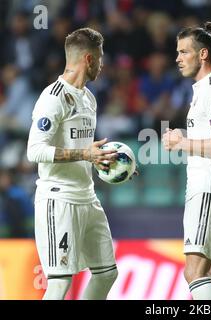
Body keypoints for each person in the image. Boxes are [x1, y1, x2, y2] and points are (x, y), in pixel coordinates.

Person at [27, 28, 119, 300]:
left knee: (107, 273)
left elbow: (86, 150)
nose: (102, 66)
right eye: (100, 59)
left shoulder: (89, 98)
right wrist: (84, 155)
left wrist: (107, 163)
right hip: (59, 199)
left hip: (87, 198)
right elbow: (35, 150)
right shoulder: (53, 98)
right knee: (59, 282)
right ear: (89, 59)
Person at [162, 21, 211, 300]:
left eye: (184, 52)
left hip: (210, 186)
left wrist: (180, 143)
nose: (178, 58)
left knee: (194, 273)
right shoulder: (207, 88)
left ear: (203, 54)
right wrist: (184, 136)